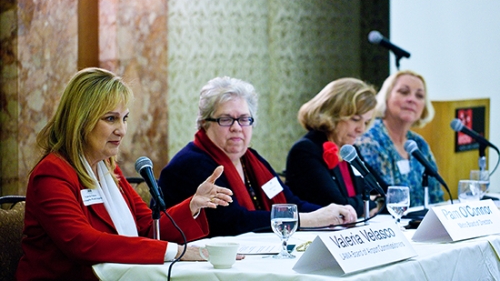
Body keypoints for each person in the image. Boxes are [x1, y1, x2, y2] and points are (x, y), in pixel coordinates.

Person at [17, 68, 233, 281]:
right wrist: (176, 252)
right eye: (111, 119)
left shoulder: (108, 169)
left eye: (125, 118)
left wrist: (193, 205)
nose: (122, 129)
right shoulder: (53, 173)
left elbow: (148, 226)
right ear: (80, 121)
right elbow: (82, 242)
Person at [158, 76, 357, 238]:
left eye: (244, 119)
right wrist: (310, 219)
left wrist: (332, 212)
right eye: (226, 119)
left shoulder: (251, 159)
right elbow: (233, 223)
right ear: (205, 124)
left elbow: (289, 201)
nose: (237, 128)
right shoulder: (192, 164)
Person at [286, 78, 383, 217]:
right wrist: (370, 203)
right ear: (332, 114)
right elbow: (338, 207)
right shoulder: (305, 151)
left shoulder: (349, 151)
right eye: (355, 119)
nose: (361, 129)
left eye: (366, 122)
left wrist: (369, 202)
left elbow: (384, 192)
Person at [356, 69, 444, 207]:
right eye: (404, 92)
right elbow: (385, 198)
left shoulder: (419, 144)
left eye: (419, 96)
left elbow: (436, 195)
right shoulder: (370, 139)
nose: (412, 99)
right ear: (386, 97)